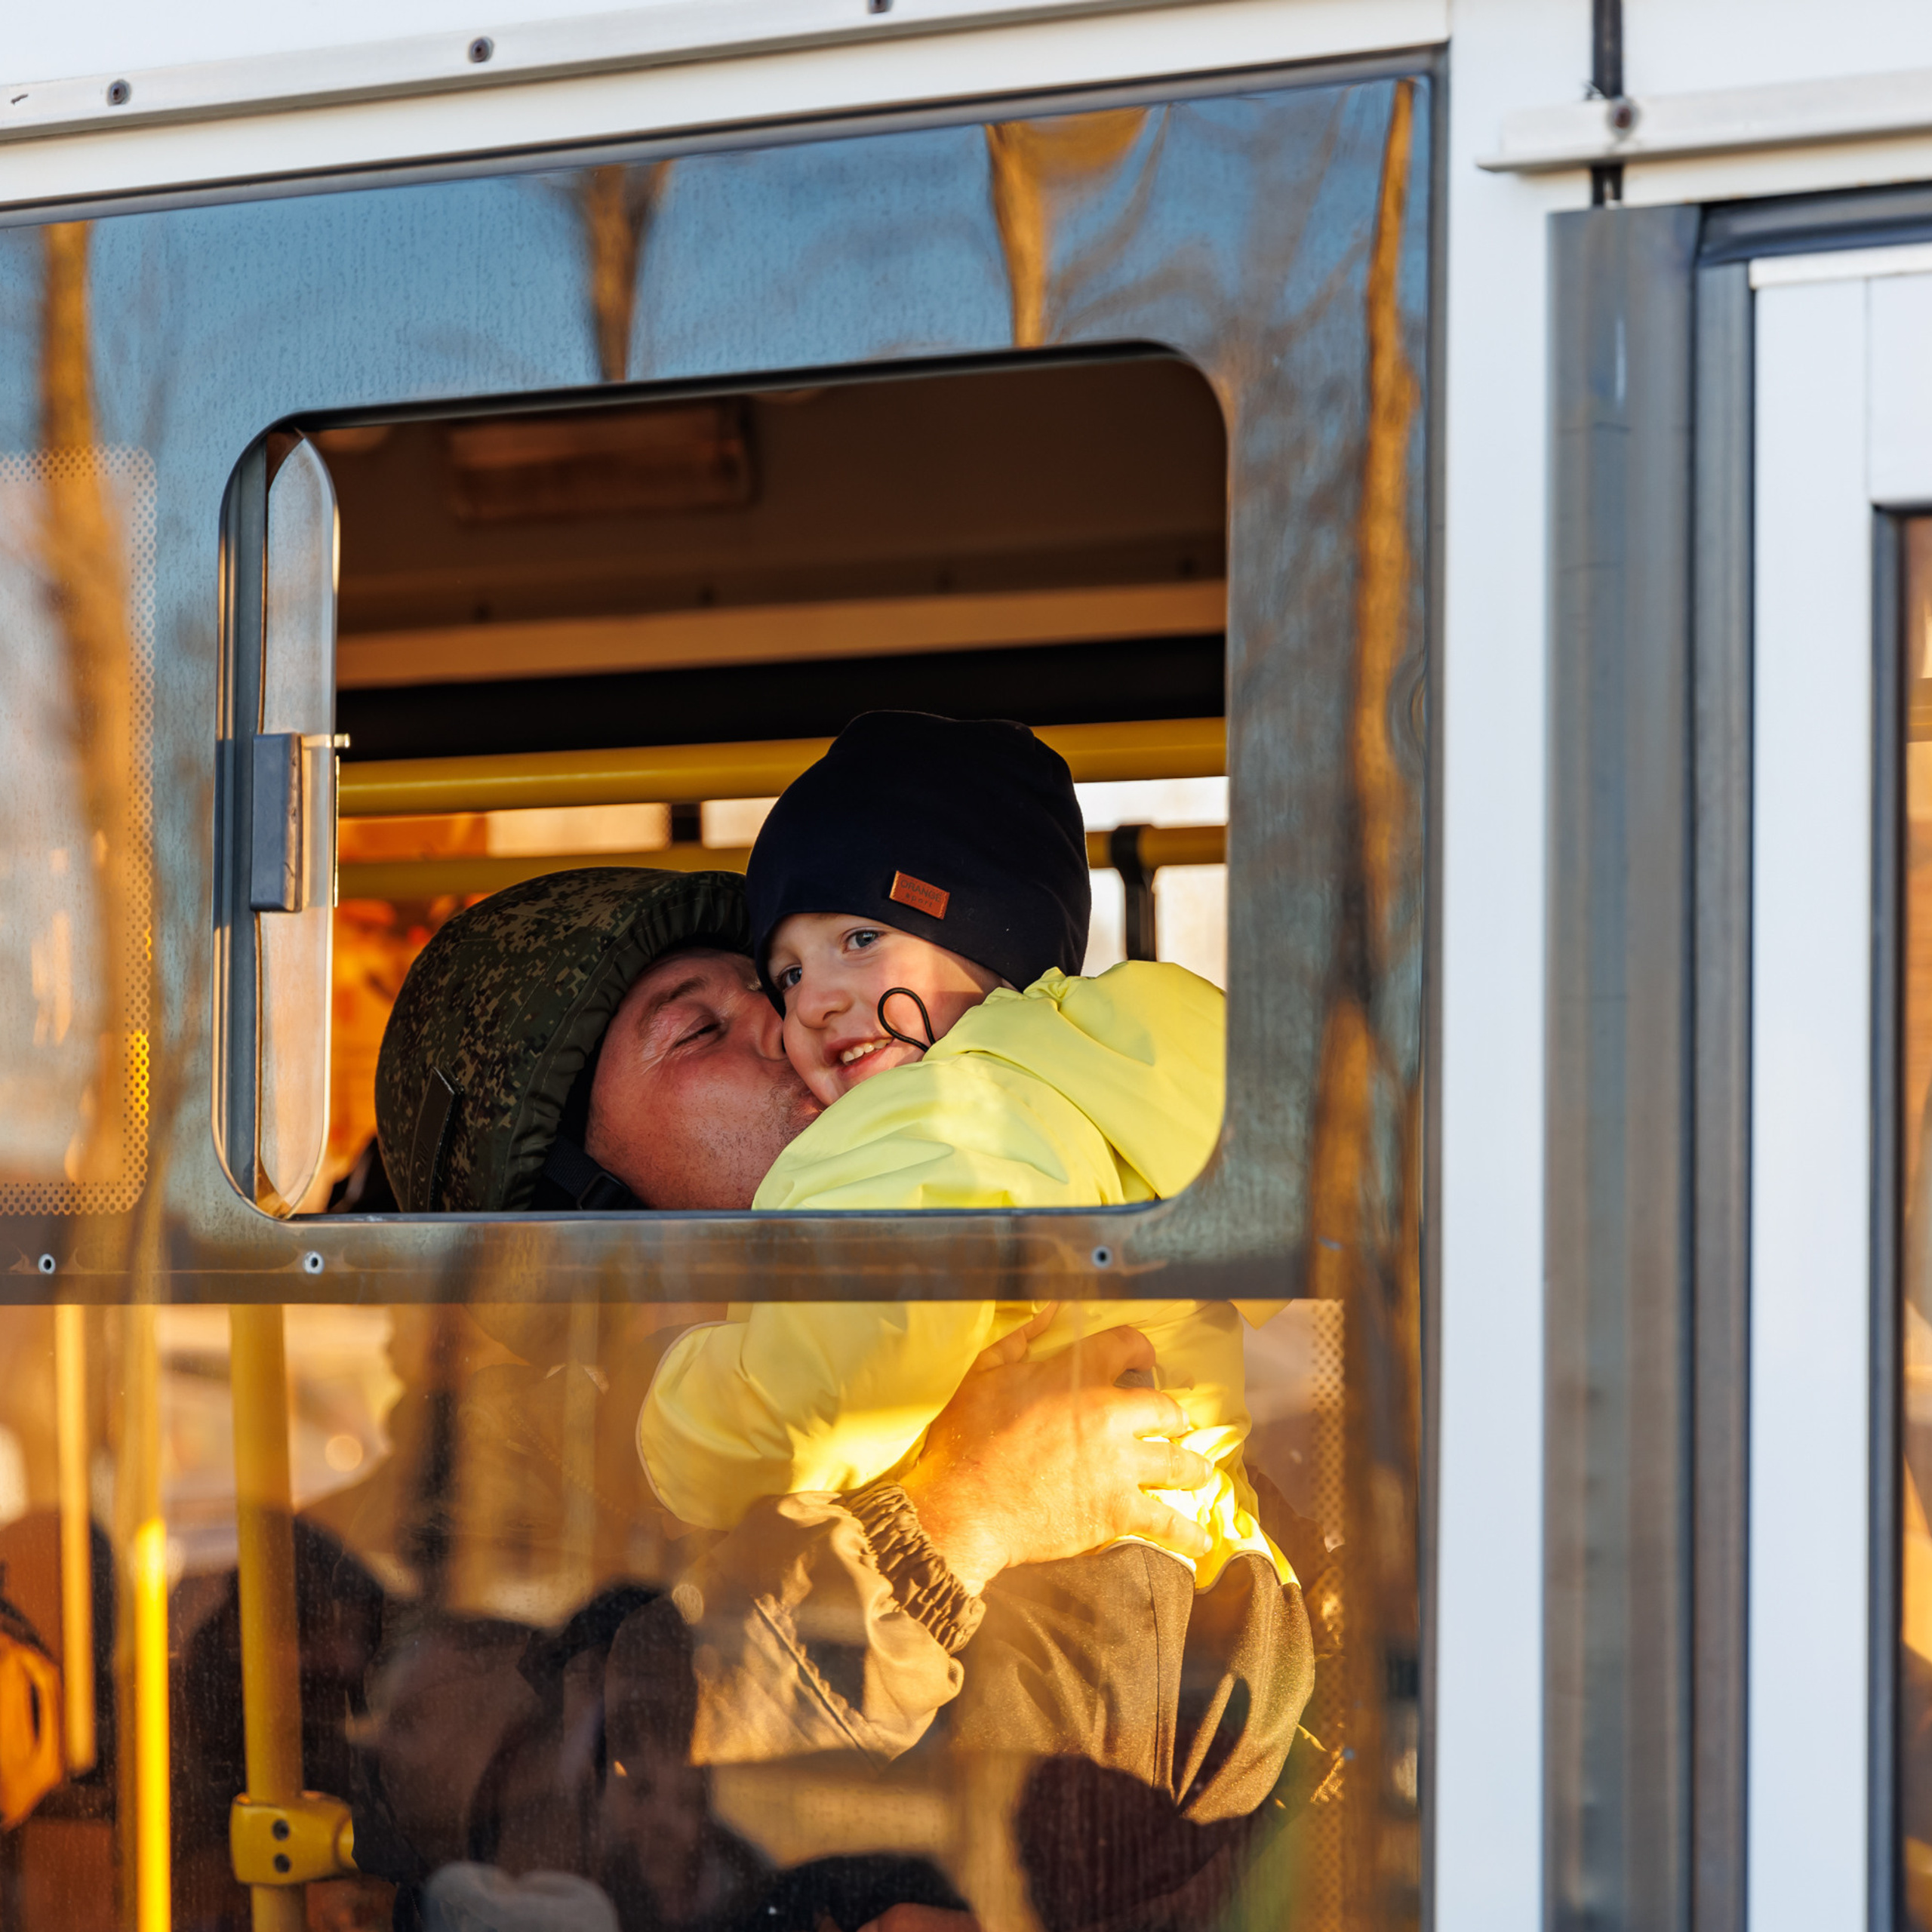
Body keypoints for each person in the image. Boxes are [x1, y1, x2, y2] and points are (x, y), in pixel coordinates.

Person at [635, 713, 1285, 1597]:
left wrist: (666, 1405)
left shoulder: (942, 1118)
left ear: (991, 937)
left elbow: (815, 1407)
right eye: (786, 974)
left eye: (859, 940)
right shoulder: (1098, 1084)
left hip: (1061, 1590)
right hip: (1191, 1565)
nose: (814, 1002)